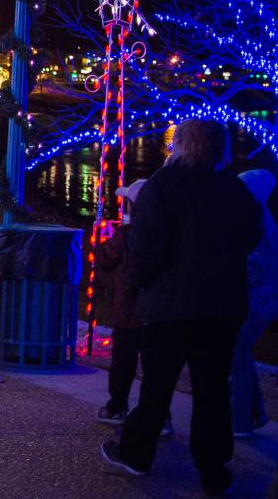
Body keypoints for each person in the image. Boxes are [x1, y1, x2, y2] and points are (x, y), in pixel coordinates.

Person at [103, 120, 262, 496]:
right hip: (222, 306)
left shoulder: (163, 186)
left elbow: (144, 248)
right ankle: (213, 469)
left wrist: (142, 283)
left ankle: (136, 454)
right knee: (212, 388)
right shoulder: (235, 190)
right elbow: (251, 238)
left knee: (157, 385)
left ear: (181, 145)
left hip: (168, 306)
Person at [93, 179, 173, 435]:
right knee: (156, 366)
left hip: (128, 310)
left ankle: (117, 406)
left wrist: (100, 242)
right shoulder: (168, 235)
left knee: (123, 363)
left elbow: (105, 260)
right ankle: (160, 416)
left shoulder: (126, 234)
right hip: (157, 311)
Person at [231, 169, 278, 438]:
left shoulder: (257, 223)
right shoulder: (263, 219)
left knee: (237, 352)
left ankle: (241, 420)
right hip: (263, 301)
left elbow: (254, 266)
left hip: (256, 302)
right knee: (241, 353)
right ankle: (255, 412)